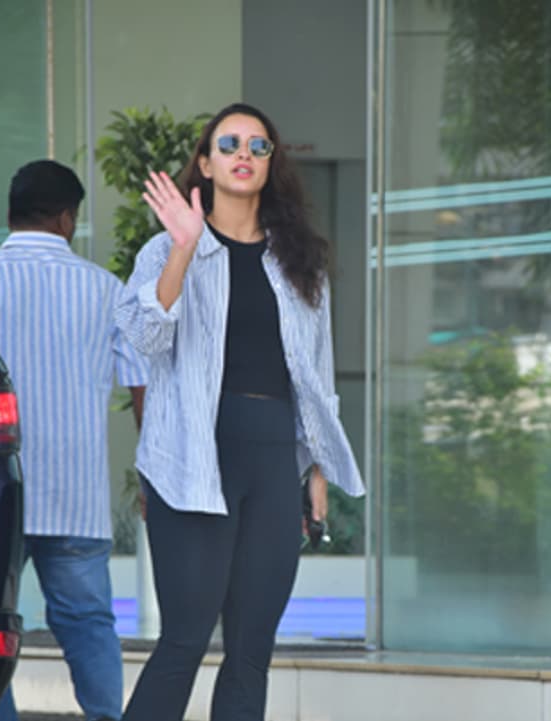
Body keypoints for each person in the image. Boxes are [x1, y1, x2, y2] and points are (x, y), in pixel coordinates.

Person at [114, 103, 365, 721]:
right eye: (229, 144)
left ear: (272, 163)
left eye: (258, 146)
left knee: (253, 650)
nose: (244, 155)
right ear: (206, 163)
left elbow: (317, 372)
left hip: (274, 457)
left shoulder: (299, 261)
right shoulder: (165, 249)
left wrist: (316, 468)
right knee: (184, 639)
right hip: (193, 459)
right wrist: (184, 248)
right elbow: (144, 340)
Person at [0, 159, 148, 721]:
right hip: (75, 492)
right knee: (88, 622)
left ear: (10, 214)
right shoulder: (106, 291)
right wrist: (150, 475)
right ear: (67, 219)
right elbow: (142, 389)